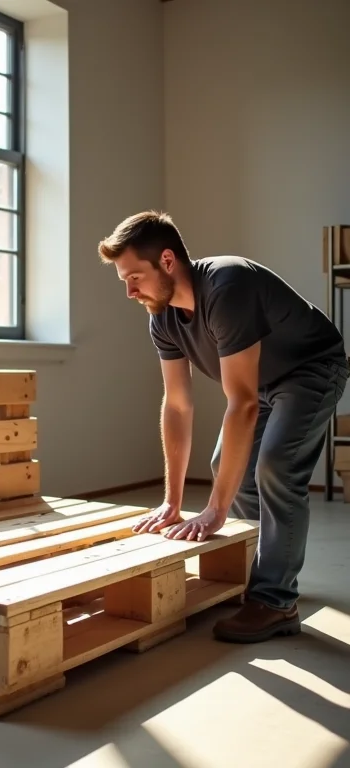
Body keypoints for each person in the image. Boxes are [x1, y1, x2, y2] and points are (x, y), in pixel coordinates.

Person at [98, 211, 348, 643]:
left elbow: (243, 403)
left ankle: (275, 601)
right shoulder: (163, 318)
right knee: (230, 466)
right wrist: (171, 501)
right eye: (124, 279)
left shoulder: (227, 287)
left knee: (274, 464)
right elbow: (177, 404)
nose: (129, 291)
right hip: (266, 382)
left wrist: (215, 510)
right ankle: (261, 580)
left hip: (311, 369)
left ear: (168, 261)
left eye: (135, 276)